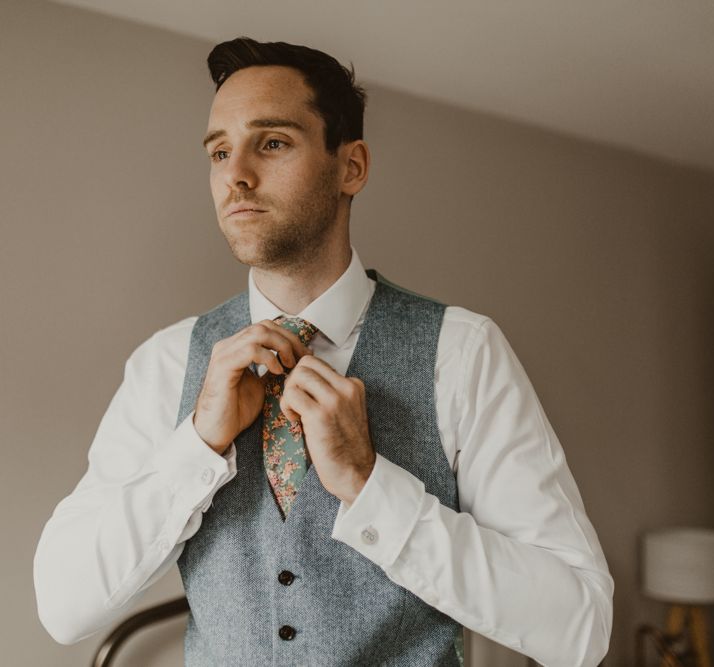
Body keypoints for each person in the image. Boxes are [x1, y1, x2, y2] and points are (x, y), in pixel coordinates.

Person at [34, 36, 613, 666]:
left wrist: (371, 487)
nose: (236, 175)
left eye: (273, 142)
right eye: (219, 151)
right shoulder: (167, 364)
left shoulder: (463, 352)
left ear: (352, 166)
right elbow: (64, 606)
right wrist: (197, 446)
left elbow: (581, 627)